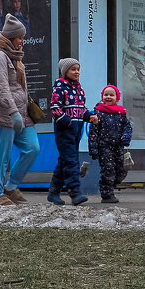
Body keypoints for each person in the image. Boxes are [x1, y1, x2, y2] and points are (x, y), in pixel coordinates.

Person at [0, 13, 39, 206]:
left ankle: (11, 186)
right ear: (10, 37)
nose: (23, 40)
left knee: (32, 148)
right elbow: (2, 88)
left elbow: (18, 88)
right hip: (3, 113)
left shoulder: (14, 56)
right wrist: (13, 112)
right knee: (2, 156)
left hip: (21, 113)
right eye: (20, 37)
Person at [47, 58, 97, 206]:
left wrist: (89, 116)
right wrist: (66, 121)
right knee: (71, 161)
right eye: (73, 69)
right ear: (65, 71)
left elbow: (81, 109)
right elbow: (55, 108)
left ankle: (53, 192)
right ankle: (74, 192)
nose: (77, 72)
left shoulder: (79, 89)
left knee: (65, 161)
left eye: (78, 69)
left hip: (77, 131)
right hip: (65, 131)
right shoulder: (59, 87)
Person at [88, 84, 132, 204]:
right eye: (106, 95)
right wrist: (93, 149)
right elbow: (93, 132)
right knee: (108, 170)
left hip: (118, 146)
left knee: (121, 169)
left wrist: (126, 137)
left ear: (117, 98)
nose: (108, 97)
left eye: (111, 95)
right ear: (102, 97)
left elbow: (127, 127)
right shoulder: (98, 113)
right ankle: (107, 195)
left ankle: (113, 183)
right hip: (104, 147)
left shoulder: (121, 113)